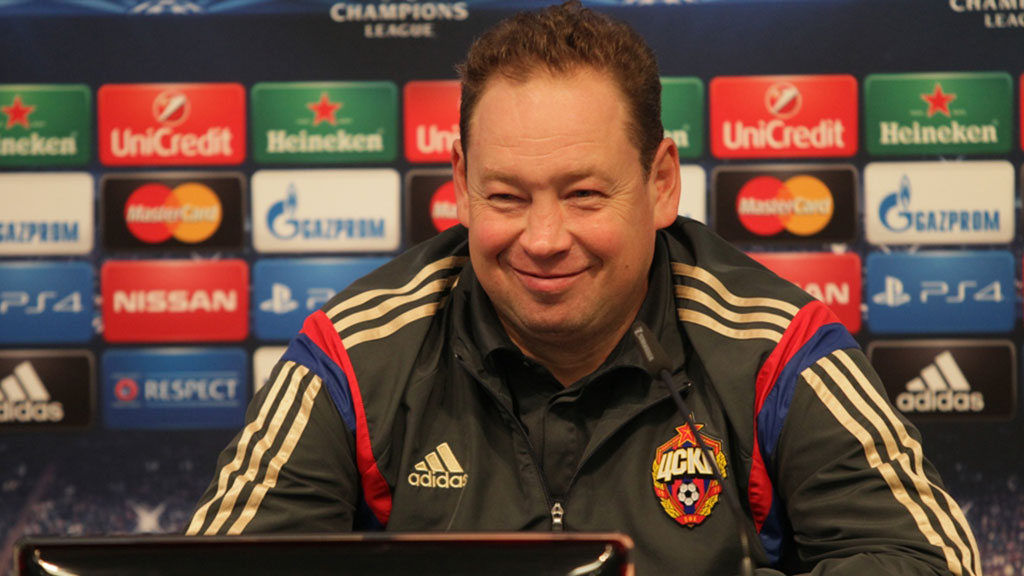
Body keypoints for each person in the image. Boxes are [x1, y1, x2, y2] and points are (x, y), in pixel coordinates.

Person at [187, 2, 981, 574]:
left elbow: (930, 558)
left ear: (661, 183)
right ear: (460, 185)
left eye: (584, 195)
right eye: (506, 196)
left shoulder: (777, 349)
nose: (542, 238)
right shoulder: (354, 357)